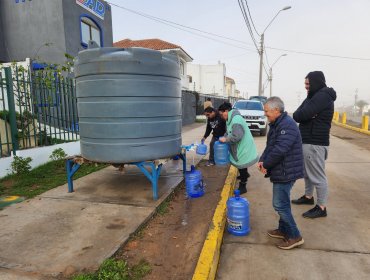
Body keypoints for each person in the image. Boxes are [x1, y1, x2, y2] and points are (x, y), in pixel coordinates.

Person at [258, 96, 304, 250]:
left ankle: (295, 236)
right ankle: (283, 230)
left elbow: (279, 150)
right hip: (281, 169)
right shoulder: (276, 124)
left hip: (286, 171)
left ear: (276, 110)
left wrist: (267, 164)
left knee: (280, 204)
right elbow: (270, 146)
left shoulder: (287, 125)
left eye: (266, 111)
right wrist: (262, 160)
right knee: (282, 202)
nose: (265, 114)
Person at [291, 71, 337, 219]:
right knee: (307, 173)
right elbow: (297, 114)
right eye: (305, 84)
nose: (306, 87)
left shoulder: (322, 96)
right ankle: (308, 197)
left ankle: (321, 207)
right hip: (308, 140)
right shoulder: (313, 96)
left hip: (315, 142)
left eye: (308, 84)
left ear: (316, 82)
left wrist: (306, 115)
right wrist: (307, 115)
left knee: (317, 176)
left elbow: (302, 115)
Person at [218, 102, 258, 194]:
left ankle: (243, 185)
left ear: (226, 111)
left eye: (221, 114)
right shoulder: (230, 119)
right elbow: (229, 132)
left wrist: (226, 139)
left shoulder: (236, 120)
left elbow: (237, 136)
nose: (221, 116)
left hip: (243, 145)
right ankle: (245, 174)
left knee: (241, 162)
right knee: (241, 163)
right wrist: (225, 136)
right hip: (241, 145)